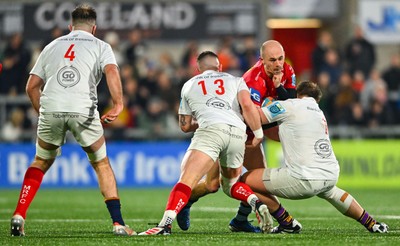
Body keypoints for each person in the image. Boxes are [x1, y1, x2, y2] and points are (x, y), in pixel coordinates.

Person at [10, 4, 136, 237]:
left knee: (40, 161)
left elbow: (31, 87)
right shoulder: (101, 46)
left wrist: (43, 112)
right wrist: (118, 104)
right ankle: (118, 224)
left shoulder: (51, 46)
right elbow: (111, 71)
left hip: (51, 108)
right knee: (101, 163)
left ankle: (19, 214)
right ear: (94, 28)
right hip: (83, 109)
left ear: (70, 27)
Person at [138, 51, 273, 235]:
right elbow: (248, 106)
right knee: (231, 185)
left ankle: (164, 225)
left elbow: (185, 126)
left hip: (211, 131)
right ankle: (255, 202)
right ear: (220, 67)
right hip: (236, 133)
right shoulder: (236, 80)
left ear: (198, 69)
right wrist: (258, 133)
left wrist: (200, 122)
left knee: (186, 180)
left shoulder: (189, 84)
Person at [177, 40, 298, 233]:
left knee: (258, 182)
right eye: (273, 60)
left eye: (280, 59)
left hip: (249, 132)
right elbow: (252, 113)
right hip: (235, 131)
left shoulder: (287, 70)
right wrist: (267, 125)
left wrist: (279, 90)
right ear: (262, 60)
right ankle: (186, 200)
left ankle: (240, 221)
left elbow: (291, 103)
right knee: (212, 185)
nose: (278, 64)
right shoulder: (252, 80)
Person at [242, 80, 389, 233]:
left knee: (245, 181)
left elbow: (255, 117)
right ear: (316, 99)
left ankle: (287, 222)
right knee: (333, 193)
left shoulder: (292, 105)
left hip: (303, 178)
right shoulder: (319, 113)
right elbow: (283, 133)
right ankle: (372, 224)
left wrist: (265, 103)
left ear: (298, 94)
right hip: (330, 174)